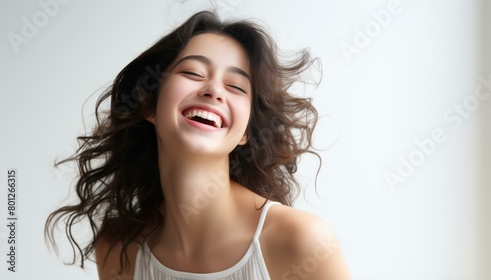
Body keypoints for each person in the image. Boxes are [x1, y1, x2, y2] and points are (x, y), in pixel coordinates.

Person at [45, 10, 351, 280]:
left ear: (246, 131)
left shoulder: (300, 241)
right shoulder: (118, 249)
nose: (214, 91)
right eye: (192, 73)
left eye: (235, 86)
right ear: (149, 105)